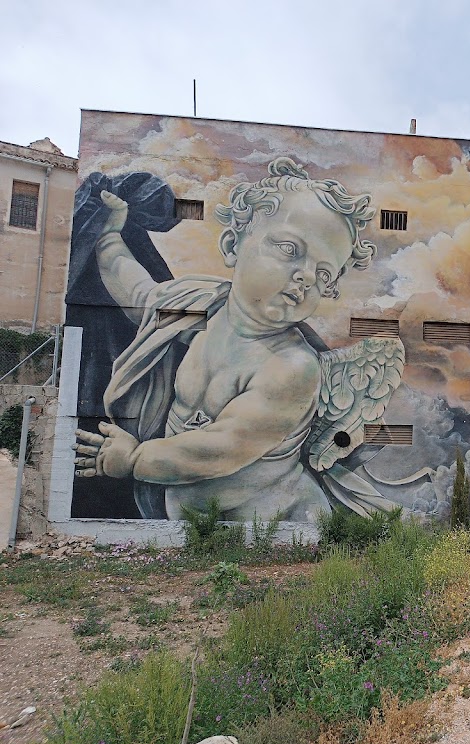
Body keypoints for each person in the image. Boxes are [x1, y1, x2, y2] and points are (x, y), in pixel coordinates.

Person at [72, 158, 381, 521]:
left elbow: (223, 447)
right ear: (234, 245)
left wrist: (135, 459)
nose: (306, 277)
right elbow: (139, 294)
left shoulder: (292, 367)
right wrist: (109, 237)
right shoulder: (203, 310)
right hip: (197, 527)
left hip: (280, 529)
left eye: (324, 272)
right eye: (289, 250)